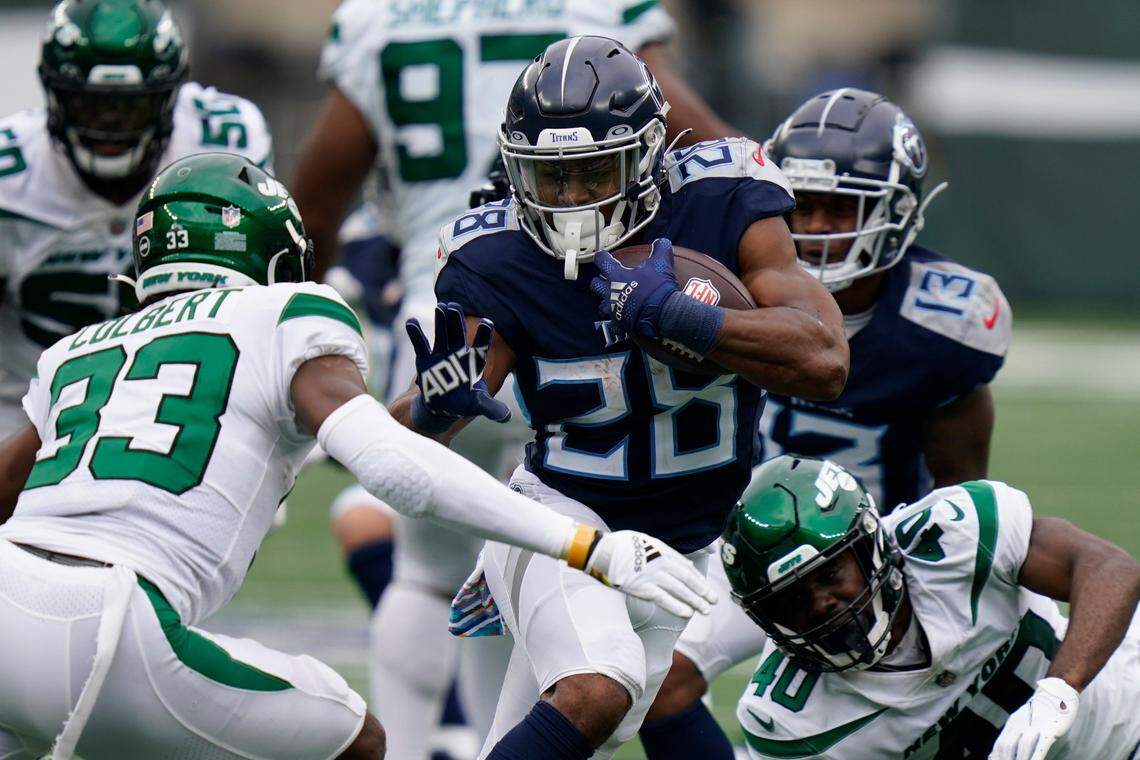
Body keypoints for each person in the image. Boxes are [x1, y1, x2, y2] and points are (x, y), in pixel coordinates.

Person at [0, 152, 715, 759]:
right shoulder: (283, 312)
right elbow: (390, 464)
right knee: (356, 739)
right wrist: (585, 545)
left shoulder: (76, 350)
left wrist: (427, 412)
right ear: (277, 258)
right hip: (111, 623)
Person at [293, 2, 741, 755]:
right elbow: (702, 143)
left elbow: (320, 196)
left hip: (456, 316)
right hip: (513, 311)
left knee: (432, 575)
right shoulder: (599, 12)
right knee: (593, 664)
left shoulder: (381, 19)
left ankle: (443, 741)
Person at [390, 36, 848, 759]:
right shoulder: (499, 259)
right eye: (551, 177)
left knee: (558, 729)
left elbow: (824, 360)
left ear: (647, 154)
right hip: (560, 527)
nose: (571, 198)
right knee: (598, 686)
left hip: (680, 553)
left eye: (592, 170)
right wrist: (434, 405)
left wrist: (682, 317)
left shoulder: (720, 203)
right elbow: (394, 449)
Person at [639, 88, 1014, 758]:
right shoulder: (730, 283)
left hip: (873, 555)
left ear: (897, 210)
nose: (815, 226)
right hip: (744, 543)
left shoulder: (942, 325)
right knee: (655, 685)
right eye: (800, 205)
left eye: (840, 206)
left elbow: (961, 491)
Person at [719, 455, 1140, 759]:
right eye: (791, 600)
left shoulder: (951, 534)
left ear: (871, 549)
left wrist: (1059, 691)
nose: (822, 603)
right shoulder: (787, 719)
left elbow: (1109, 568)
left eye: (829, 575)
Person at [0, 0, 273, 441]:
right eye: (90, 106)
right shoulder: (11, 180)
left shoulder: (219, 140)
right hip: (28, 415)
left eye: (131, 107)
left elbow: (257, 298)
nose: (110, 124)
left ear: (169, 96)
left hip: (175, 402)